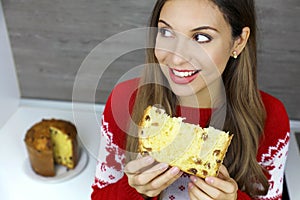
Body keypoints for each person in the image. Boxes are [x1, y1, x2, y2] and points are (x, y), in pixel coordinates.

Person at [91, 0, 290, 199]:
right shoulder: (125, 100)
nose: (177, 58)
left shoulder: (271, 117)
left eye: (201, 37)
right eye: (166, 32)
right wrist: (133, 189)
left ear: (238, 41)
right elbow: (99, 195)